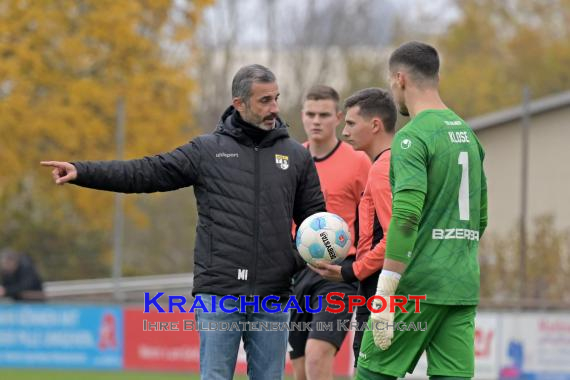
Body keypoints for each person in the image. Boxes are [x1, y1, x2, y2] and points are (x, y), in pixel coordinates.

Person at [41, 64, 326, 380]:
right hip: (220, 292)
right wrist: (83, 172)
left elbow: (315, 223)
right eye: (264, 100)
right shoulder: (206, 151)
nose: (274, 108)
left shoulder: (296, 156)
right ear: (239, 104)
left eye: (276, 98)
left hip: (273, 295)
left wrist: (292, 263)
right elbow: (145, 173)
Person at [356, 41, 488, 379]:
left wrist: (384, 294)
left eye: (390, 82)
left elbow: (405, 218)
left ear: (400, 79)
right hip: (460, 285)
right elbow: (481, 217)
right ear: (436, 76)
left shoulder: (411, 138)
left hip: (415, 286)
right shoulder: (469, 136)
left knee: (372, 372)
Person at [309, 88, 397, 367]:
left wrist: (351, 270)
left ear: (374, 125)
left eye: (350, 123)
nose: (345, 132)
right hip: (381, 284)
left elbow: (395, 235)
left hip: (378, 289)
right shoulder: (393, 162)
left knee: (369, 370)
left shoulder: (382, 169)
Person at [289, 85, 370, 380]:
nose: (316, 121)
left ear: (337, 117)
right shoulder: (291, 158)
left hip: (338, 276)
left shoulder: (358, 161)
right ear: (302, 116)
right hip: (298, 272)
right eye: (310, 114)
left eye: (324, 114)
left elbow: (373, 217)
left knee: (317, 356)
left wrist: (361, 266)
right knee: (300, 369)